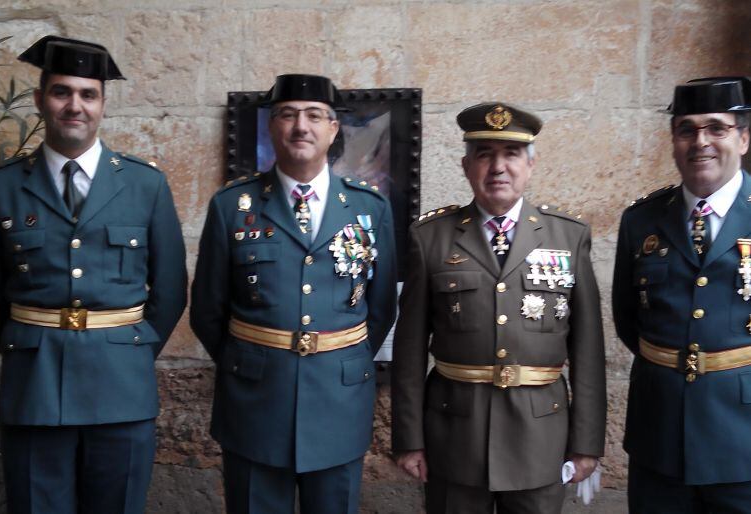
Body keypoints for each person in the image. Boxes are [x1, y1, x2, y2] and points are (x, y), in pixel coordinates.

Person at [0, 36, 187, 514]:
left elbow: (172, 290)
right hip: (34, 385)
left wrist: (129, 352)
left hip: (123, 388)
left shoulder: (145, 184)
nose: (74, 106)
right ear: (40, 100)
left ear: (102, 105)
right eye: (61, 92)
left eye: (87, 95)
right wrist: (25, 345)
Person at [190, 73, 397, 514]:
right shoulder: (232, 206)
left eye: (314, 116)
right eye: (287, 115)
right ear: (271, 126)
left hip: (338, 404)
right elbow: (207, 310)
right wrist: (249, 364)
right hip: (255, 404)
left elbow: (380, 309)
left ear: (333, 129)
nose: (301, 126)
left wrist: (339, 359)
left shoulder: (369, 207)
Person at [391, 102, 606, 514]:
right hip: (455, 436)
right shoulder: (430, 238)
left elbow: (588, 351)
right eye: (485, 154)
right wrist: (408, 437)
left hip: (541, 438)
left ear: (531, 164)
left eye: (510, 154)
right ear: (466, 165)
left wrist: (586, 443)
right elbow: (409, 349)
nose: (498, 167)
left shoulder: (568, 236)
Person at [613, 77, 751, 512]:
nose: (701, 142)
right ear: (673, 141)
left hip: (742, 437)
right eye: (687, 129)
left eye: (716, 128)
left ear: (743, 138)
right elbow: (627, 318)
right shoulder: (642, 220)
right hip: (660, 433)